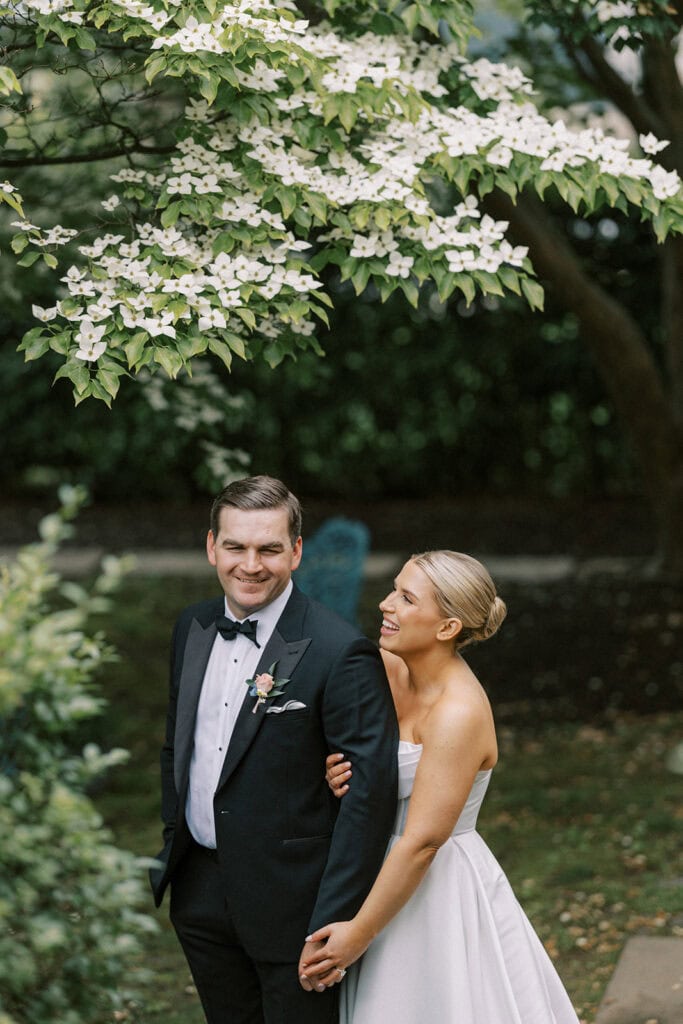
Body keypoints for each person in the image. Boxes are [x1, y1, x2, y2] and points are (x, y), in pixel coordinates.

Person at [149, 475, 398, 1024]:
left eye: (269, 548)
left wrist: (338, 918)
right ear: (212, 546)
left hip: (297, 908)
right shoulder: (191, 627)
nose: (251, 564)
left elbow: (369, 797)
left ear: (297, 552)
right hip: (201, 896)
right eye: (235, 546)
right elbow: (178, 744)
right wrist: (176, 842)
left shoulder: (340, 651)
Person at [299, 550, 580, 1024]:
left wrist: (360, 932)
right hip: (374, 863)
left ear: (447, 628)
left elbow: (424, 841)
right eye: (394, 589)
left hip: (434, 884)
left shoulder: (459, 712)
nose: (387, 604)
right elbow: (364, 759)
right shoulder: (386, 668)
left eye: (407, 599)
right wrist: (341, 773)